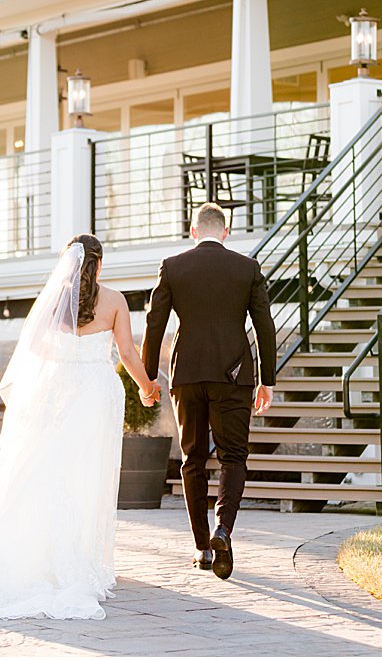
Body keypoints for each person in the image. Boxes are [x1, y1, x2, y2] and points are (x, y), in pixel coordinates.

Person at [0, 234, 157, 621]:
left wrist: (65, 361)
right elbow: (128, 352)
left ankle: (44, 554)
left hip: (59, 393)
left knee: (46, 471)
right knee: (87, 476)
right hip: (96, 395)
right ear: (98, 265)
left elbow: (33, 347)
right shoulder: (114, 300)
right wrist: (147, 387)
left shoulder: (54, 300)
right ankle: (77, 560)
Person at [142, 201, 276, 580]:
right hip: (233, 375)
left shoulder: (173, 266)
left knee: (193, 459)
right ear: (226, 232)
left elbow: (155, 323)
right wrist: (268, 379)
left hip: (186, 373)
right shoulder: (247, 268)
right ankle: (224, 529)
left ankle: (202, 547)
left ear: (193, 231)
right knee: (234, 456)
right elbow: (265, 324)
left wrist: (149, 377)